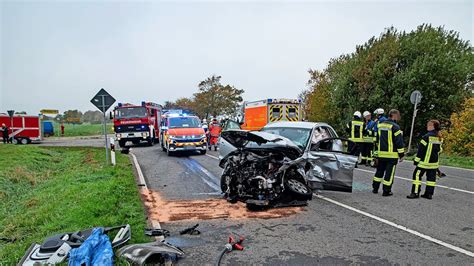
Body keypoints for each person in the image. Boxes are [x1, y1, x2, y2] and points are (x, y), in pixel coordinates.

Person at [407, 120, 443, 200]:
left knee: (417, 176)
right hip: (434, 163)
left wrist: (416, 160)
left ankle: (415, 193)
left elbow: (421, 150)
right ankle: (428, 194)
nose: (427, 127)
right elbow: (440, 150)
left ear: (432, 126)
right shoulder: (439, 137)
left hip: (424, 162)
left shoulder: (426, 137)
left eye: (428, 125)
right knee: (431, 179)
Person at [372, 109, 405, 196]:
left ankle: (375, 188)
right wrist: (401, 155)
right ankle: (386, 191)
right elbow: (399, 142)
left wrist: (376, 152)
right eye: (398, 116)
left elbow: (377, 140)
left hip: (381, 154)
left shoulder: (380, 125)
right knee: (389, 174)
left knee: (379, 171)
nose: (398, 118)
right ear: (394, 115)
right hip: (392, 155)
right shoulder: (395, 127)